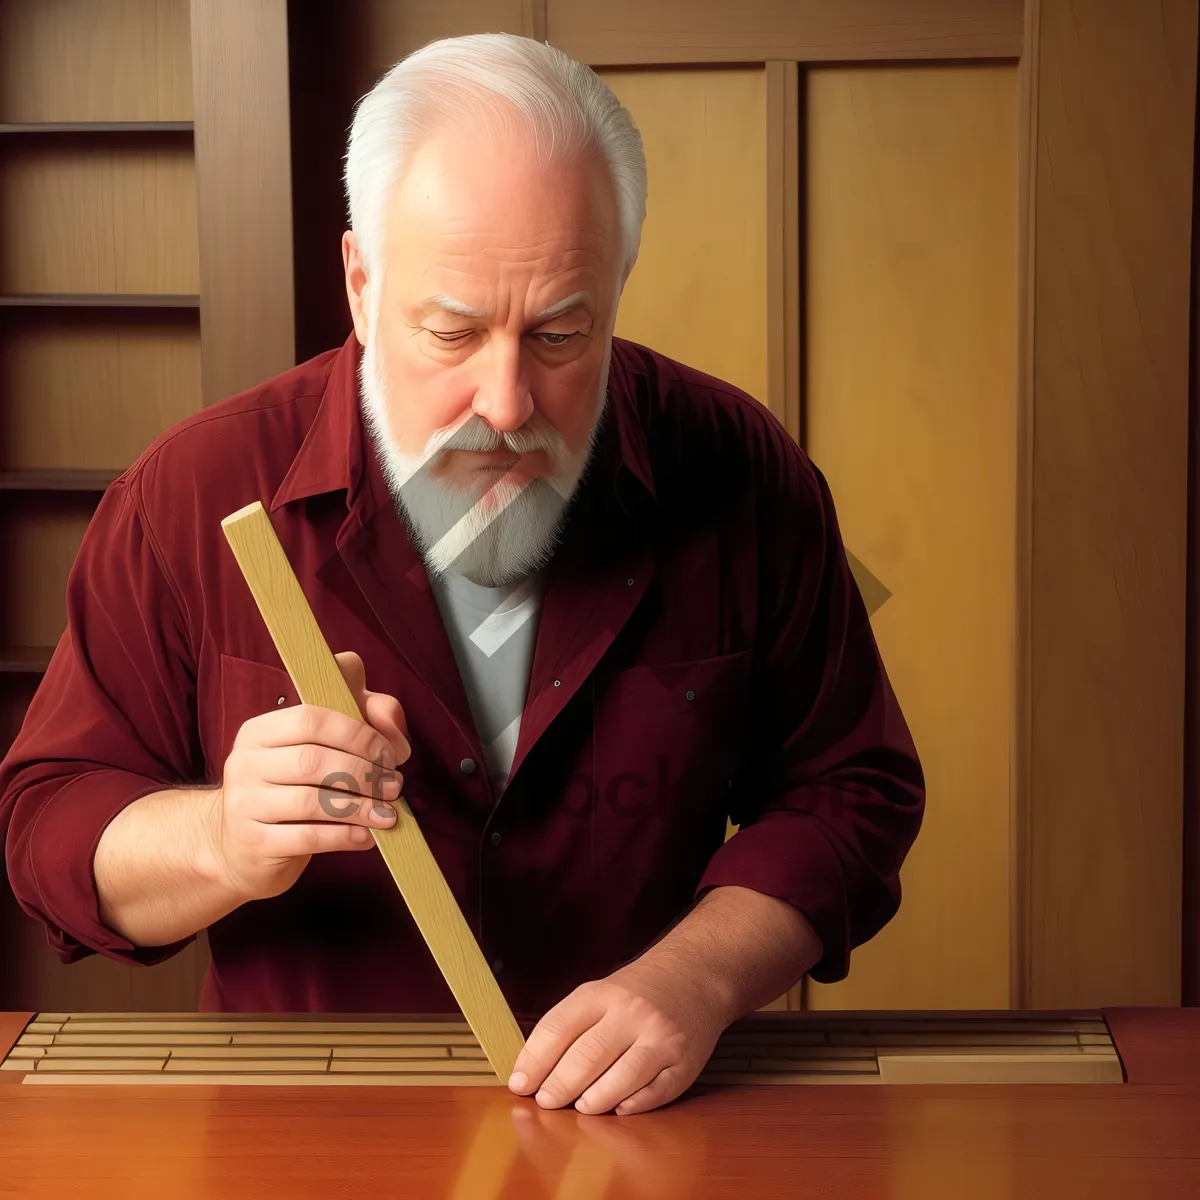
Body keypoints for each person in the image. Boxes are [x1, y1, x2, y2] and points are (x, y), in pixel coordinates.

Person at [0, 33, 923, 1115]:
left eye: (562, 334)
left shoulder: (744, 471)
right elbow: (49, 830)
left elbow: (852, 791)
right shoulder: (184, 492)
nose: (507, 403)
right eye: (451, 331)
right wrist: (223, 834)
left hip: (652, 1123)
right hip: (297, 1134)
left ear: (619, 287)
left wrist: (700, 973)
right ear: (359, 283)